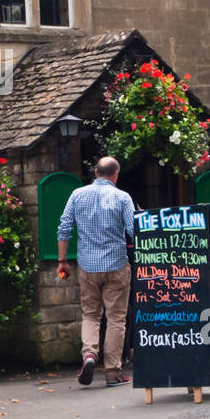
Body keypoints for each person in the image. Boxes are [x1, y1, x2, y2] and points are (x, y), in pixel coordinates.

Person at [57, 156, 136, 387]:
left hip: (88, 267)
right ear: (116, 175)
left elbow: (64, 227)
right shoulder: (123, 197)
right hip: (116, 266)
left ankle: (89, 355)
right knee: (116, 319)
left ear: (95, 171)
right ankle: (113, 372)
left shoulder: (77, 195)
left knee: (91, 314)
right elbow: (134, 229)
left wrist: (62, 260)